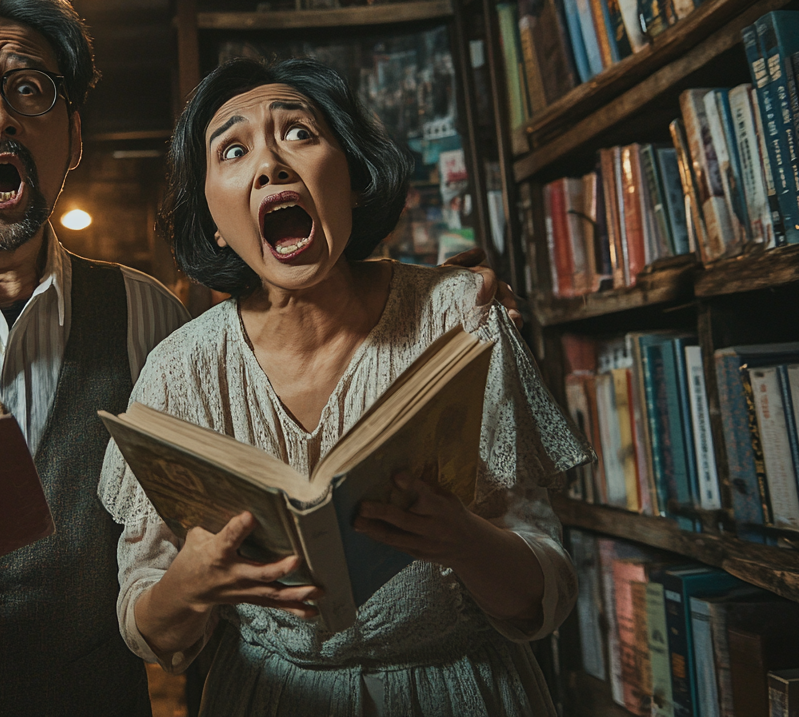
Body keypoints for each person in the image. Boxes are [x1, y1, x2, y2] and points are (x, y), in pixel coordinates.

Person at [0, 0, 521, 717]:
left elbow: (286, 312)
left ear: (73, 140)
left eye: (29, 88)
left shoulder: (151, 321)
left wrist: (422, 289)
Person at [98, 57, 592, 716]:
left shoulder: (459, 318)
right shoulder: (178, 373)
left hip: (459, 692)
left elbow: (545, 598)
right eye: (234, 149)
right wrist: (188, 587)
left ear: (355, 178)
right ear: (215, 219)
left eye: (299, 133)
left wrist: (464, 541)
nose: (271, 163)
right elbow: (149, 630)